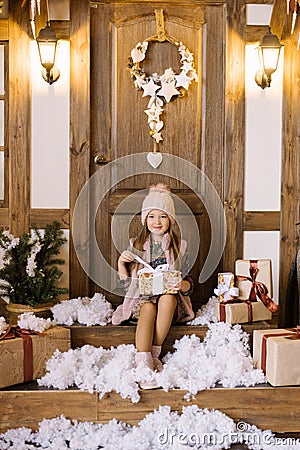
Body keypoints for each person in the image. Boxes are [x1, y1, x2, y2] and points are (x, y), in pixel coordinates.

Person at [112, 183, 194, 388]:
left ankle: (154, 353)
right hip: (142, 301)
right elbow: (125, 285)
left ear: (170, 220)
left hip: (169, 302)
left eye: (163, 216)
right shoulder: (136, 245)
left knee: (168, 298)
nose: (157, 222)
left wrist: (182, 284)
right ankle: (143, 363)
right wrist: (122, 263)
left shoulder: (180, 247)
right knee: (148, 307)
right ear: (145, 219)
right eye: (151, 216)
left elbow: (190, 282)